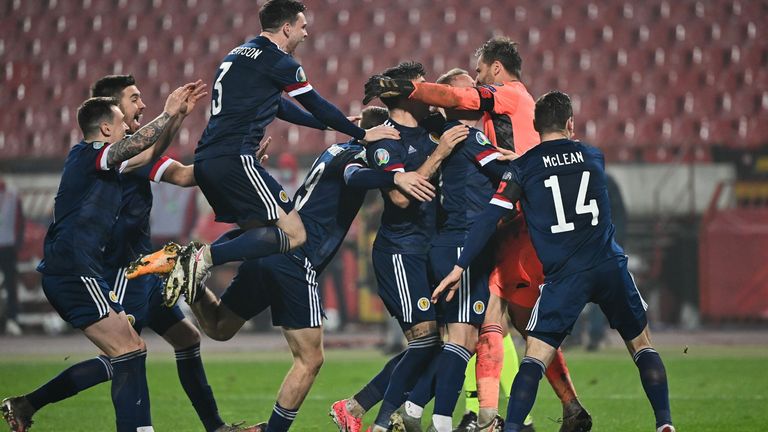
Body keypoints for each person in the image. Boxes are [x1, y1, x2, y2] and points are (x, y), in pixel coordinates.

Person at [364, 37, 590, 432]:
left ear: (496, 68)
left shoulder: (493, 110)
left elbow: (449, 115)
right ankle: (461, 417)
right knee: (483, 330)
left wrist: (388, 106)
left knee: (489, 329)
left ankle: (463, 415)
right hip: (487, 234)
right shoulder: (471, 133)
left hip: (484, 234)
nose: (477, 85)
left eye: (480, 73)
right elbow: (492, 162)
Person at [126, 0, 400, 303]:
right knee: (295, 234)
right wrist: (361, 133)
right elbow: (316, 103)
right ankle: (198, 258)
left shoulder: (238, 55)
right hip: (236, 159)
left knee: (262, 232)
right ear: (287, 27)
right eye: (303, 26)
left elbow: (278, 104)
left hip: (207, 161)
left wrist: (324, 126)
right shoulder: (281, 62)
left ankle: (189, 263)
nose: (306, 34)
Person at [433, 91, 675, 432]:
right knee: (641, 346)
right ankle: (664, 423)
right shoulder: (594, 156)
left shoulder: (523, 169)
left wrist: (459, 267)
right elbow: (563, 170)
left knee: (533, 358)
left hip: (565, 276)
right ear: (571, 124)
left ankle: (514, 427)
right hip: (608, 266)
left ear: (534, 124)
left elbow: (490, 218)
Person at [183, 106, 435, 432]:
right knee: (310, 359)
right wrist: (395, 175)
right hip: (296, 259)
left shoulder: (334, 150)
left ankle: (187, 281)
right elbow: (354, 176)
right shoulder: (356, 156)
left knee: (219, 327)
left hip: (269, 247)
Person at [0, 85, 196, 432]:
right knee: (128, 350)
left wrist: (176, 118)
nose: (126, 128)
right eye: (121, 122)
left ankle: (27, 404)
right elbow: (135, 146)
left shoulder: (108, 165)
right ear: (105, 129)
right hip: (73, 269)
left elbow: (147, 154)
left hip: (81, 269)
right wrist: (166, 113)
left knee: (129, 350)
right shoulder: (90, 153)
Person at [331, 61, 468, 432]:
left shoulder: (428, 130)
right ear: (408, 94)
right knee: (425, 344)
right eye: (422, 88)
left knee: (443, 345)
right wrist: (439, 156)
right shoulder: (386, 139)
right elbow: (401, 199)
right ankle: (382, 421)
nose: (430, 95)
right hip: (400, 253)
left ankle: (354, 408)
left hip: (428, 251)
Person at [390, 69, 513, 432]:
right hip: (461, 242)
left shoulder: (449, 137)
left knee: (462, 339)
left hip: (456, 241)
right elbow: (510, 174)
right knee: (461, 339)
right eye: (463, 91)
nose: (472, 94)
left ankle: (414, 408)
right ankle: (441, 420)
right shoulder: (464, 136)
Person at [0, 179, 24, 336]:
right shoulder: (13, 195)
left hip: (8, 246)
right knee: (10, 285)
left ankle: (12, 319)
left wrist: (18, 245)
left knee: (11, 285)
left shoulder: (13, 195)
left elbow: (20, 221)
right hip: (8, 244)